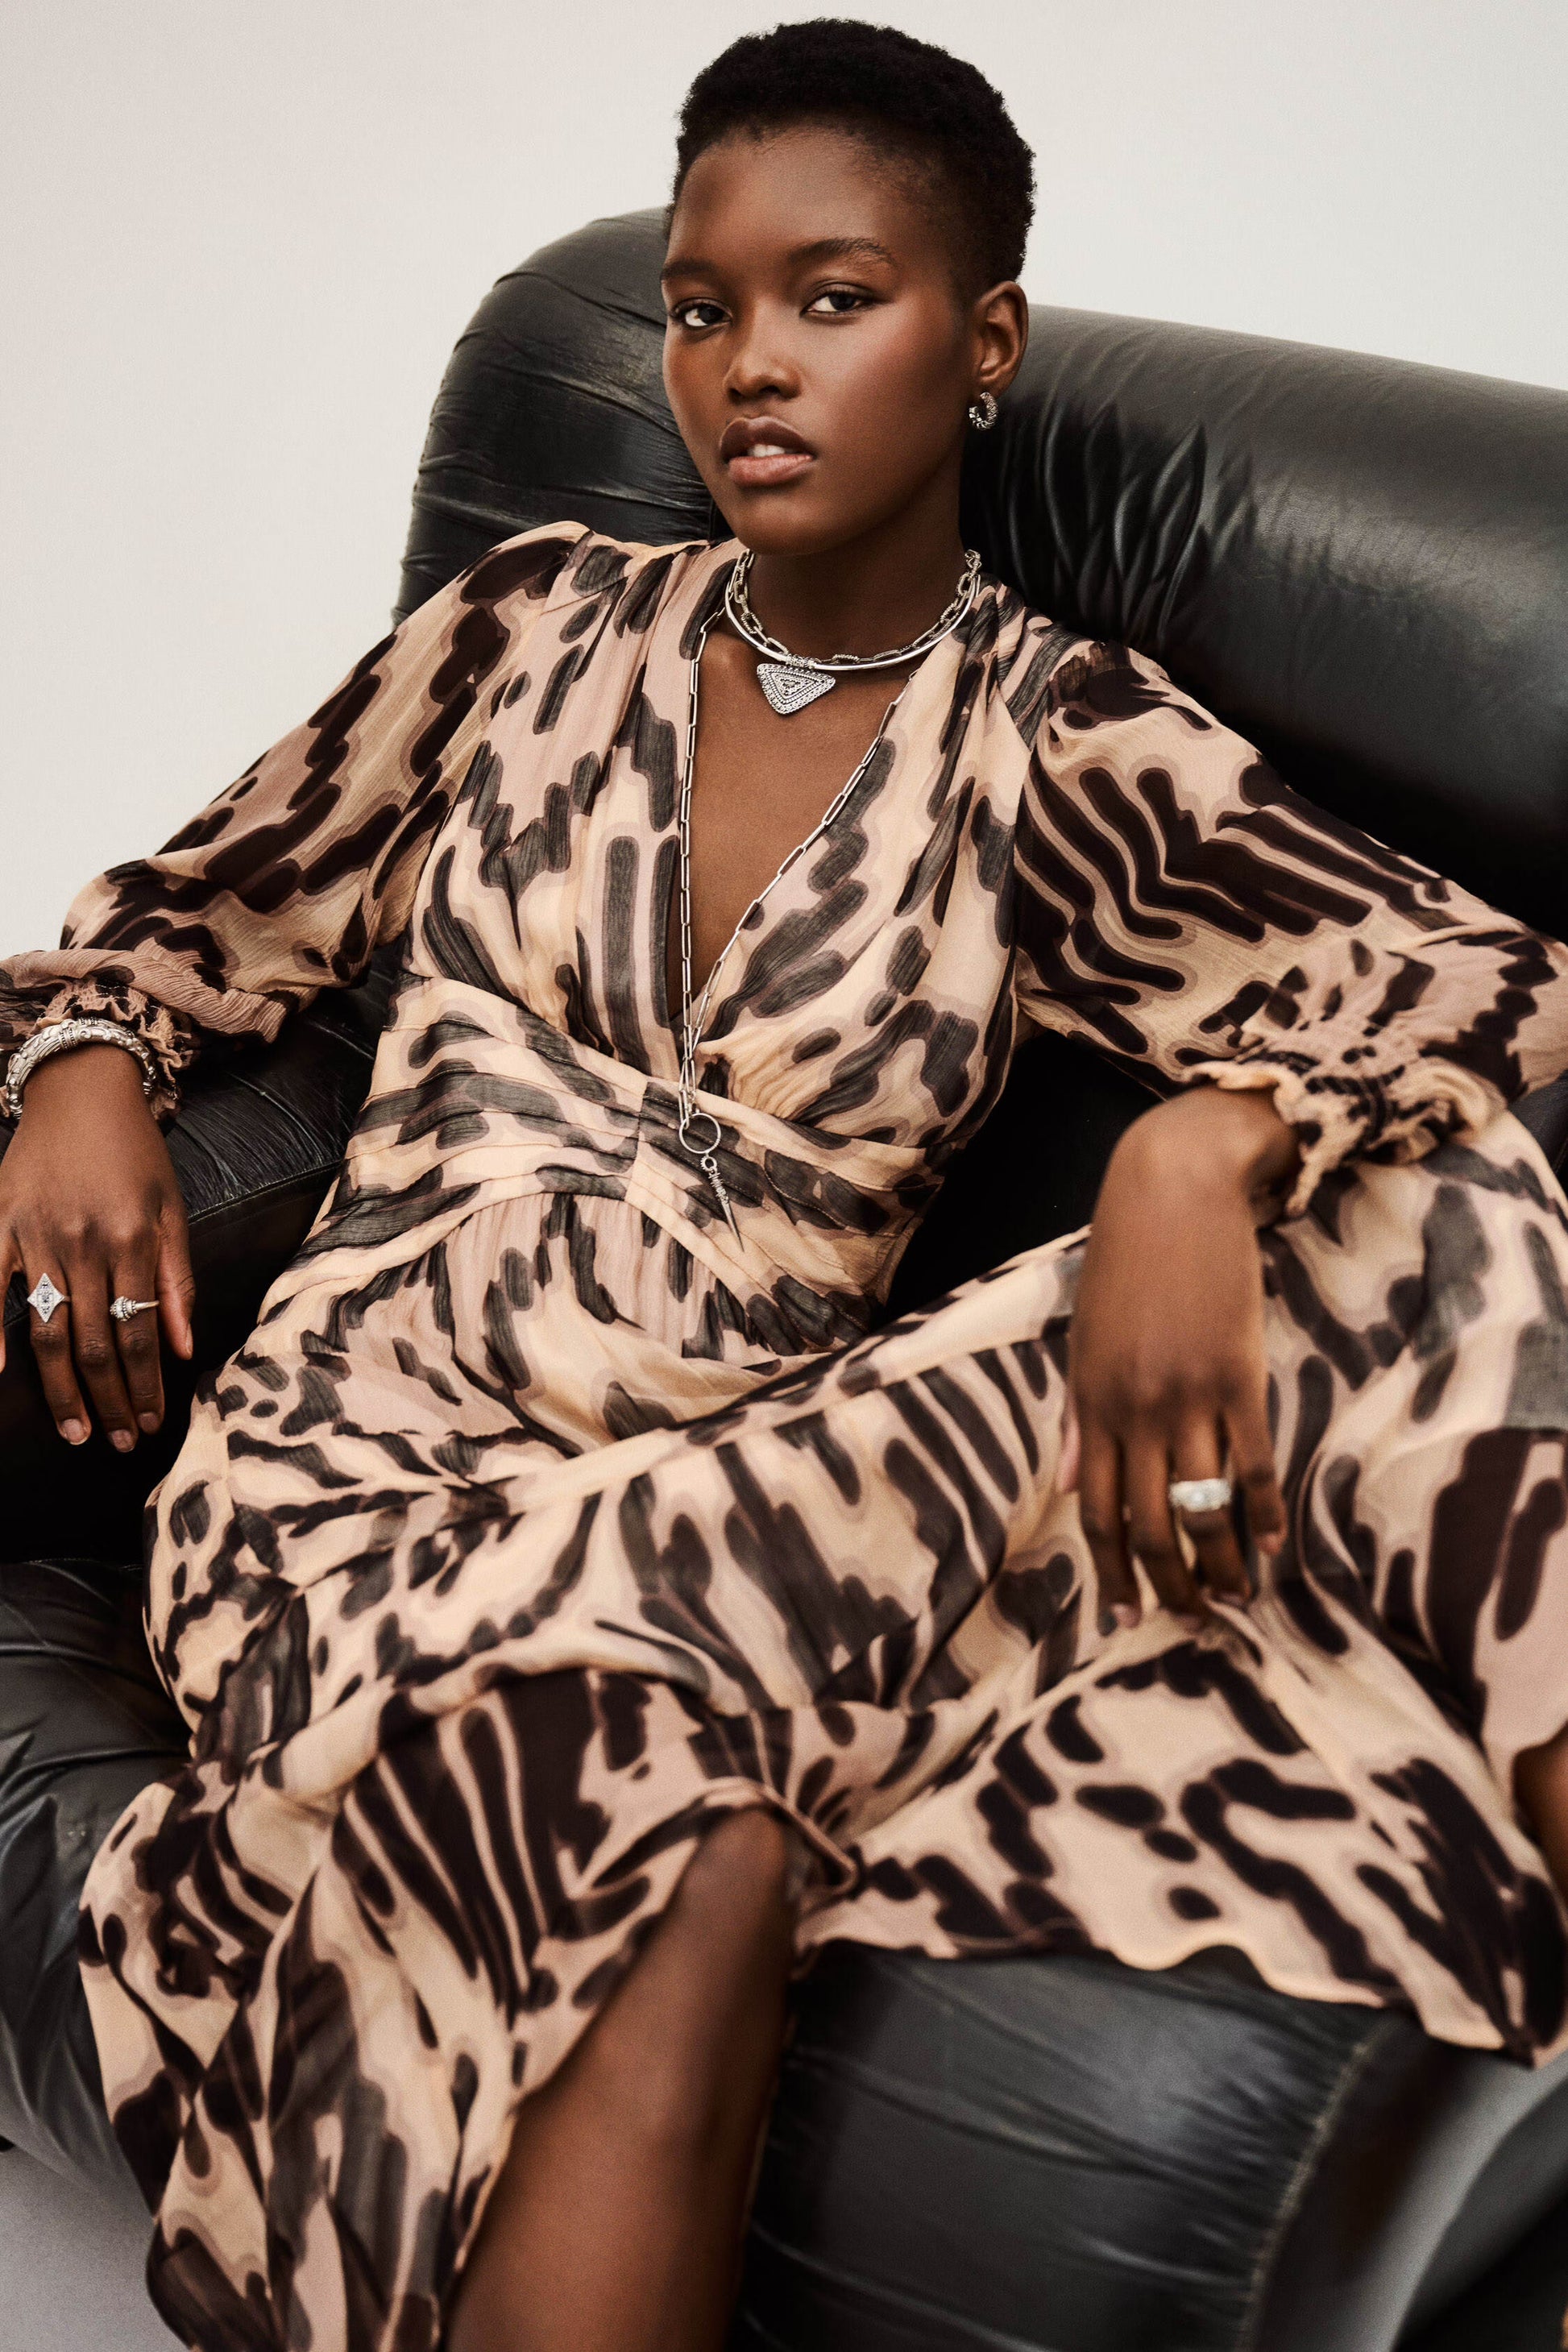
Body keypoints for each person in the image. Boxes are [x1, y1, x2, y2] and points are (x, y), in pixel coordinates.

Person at [2, 19, 1568, 2350]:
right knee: (666, 1813)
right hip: (351, 1490)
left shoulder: (1056, 741)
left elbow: (1485, 991)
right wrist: (84, 1065)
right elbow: (196, 907)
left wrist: (1197, 1144)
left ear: (982, 342)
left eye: (835, 297)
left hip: (742, 1496)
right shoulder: (531, 621)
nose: (748, 364)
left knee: (1433, 1212)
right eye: (700, 305)